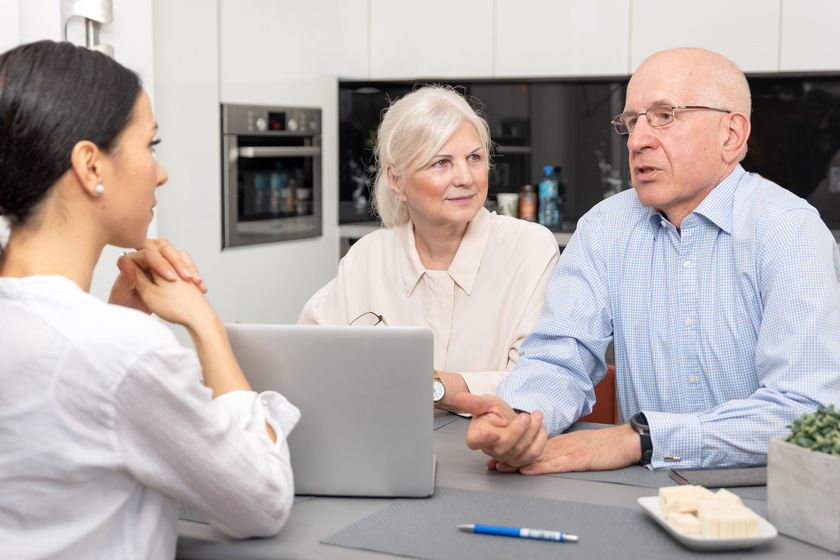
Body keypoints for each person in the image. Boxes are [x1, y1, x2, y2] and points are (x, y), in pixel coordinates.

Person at [456, 47, 840, 473]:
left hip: (767, 496)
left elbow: (805, 410)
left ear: (731, 135)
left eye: (664, 115)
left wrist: (640, 438)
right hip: (642, 496)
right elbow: (561, 355)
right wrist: (520, 419)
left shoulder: (790, 232)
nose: (637, 140)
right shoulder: (605, 227)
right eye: (632, 121)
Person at [0, 40, 300, 558]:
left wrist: (115, 314)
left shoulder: (82, 335)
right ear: (91, 166)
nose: (160, 173)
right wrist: (204, 323)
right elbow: (261, 501)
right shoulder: (120, 351)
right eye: (150, 146)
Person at [298, 85, 559, 412]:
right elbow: (308, 358)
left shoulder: (529, 249)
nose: (465, 177)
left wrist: (424, 382)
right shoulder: (367, 256)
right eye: (441, 162)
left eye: (474, 158)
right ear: (396, 180)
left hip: (490, 449)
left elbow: (538, 380)